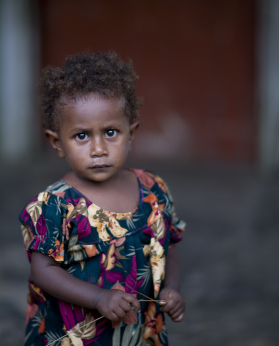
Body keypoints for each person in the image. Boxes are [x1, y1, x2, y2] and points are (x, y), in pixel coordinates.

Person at [19, 51, 186, 346]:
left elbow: (168, 245)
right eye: (82, 136)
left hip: (139, 333)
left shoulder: (154, 189)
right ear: (57, 142)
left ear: (130, 133)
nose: (98, 149)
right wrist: (98, 297)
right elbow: (42, 270)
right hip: (79, 337)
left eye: (111, 132)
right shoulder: (55, 205)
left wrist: (171, 289)